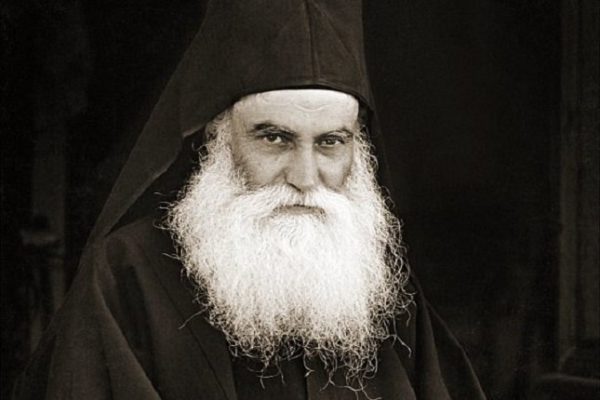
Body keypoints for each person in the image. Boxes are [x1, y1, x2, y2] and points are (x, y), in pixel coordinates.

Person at [14, 1, 486, 399]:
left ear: (356, 150)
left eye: (330, 142)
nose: (305, 178)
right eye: (275, 138)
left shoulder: (381, 294)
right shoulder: (125, 276)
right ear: (218, 141)